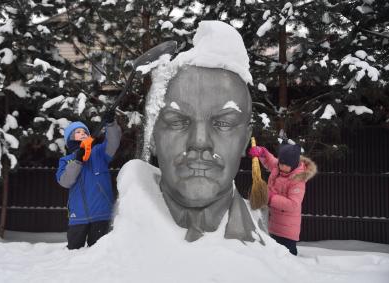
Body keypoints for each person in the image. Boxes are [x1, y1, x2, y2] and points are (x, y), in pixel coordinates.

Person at [122, 20, 268, 243]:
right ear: (151, 135)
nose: (200, 142)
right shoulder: (121, 245)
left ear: (245, 139)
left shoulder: (264, 247)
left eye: (224, 124)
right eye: (177, 121)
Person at [56, 111, 122, 249]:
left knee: (99, 254)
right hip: (77, 216)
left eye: (84, 131)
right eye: (78, 132)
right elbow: (65, 181)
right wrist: (77, 161)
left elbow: (113, 142)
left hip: (101, 213)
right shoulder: (66, 160)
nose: (83, 133)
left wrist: (111, 124)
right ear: (70, 139)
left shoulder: (99, 153)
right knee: (73, 254)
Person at [248, 142, 317, 255]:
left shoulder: (297, 180)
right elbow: (270, 160)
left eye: (287, 165)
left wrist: (271, 198)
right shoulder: (279, 167)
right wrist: (262, 153)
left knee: (288, 260)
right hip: (273, 226)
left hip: (287, 232)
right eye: (281, 164)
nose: (283, 167)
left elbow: (293, 204)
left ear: (294, 165)